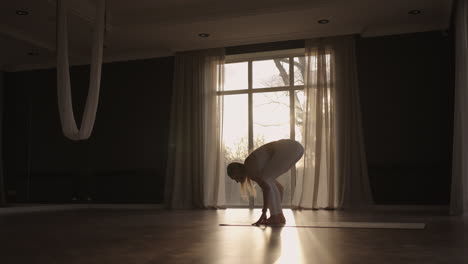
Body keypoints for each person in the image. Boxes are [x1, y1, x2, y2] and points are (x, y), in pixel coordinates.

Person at [227, 139, 304, 226]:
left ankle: (276, 217)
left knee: (266, 180)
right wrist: (278, 210)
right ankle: (278, 217)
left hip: (290, 148)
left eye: (235, 178)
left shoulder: (250, 168)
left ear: (237, 172)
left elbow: (266, 188)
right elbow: (279, 188)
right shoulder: (255, 167)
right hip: (297, 148)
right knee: (268, 179)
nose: (237, 181)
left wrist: (264, 212)